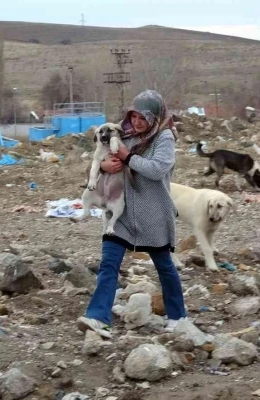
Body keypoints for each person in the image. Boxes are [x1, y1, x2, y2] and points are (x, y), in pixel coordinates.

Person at [76, 90, 187, 339]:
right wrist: (103, 166)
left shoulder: (164, 138)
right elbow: (97, 157)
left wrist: (128, 157)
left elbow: (157, 169)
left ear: (155, 117)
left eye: (143, 118)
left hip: (153, 212)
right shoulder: (121, 133)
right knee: (109, 263)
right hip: (121, 212)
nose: (136, 123)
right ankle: (98, 318)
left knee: (164, 266)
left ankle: (178, 317)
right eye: (133, 116)